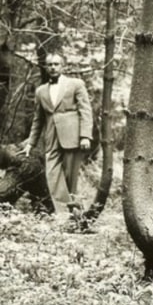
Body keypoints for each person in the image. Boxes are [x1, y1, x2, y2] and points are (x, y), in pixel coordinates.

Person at [23, 61, 93, 221]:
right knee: (52, 175)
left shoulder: (75, 84)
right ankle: (65, 215)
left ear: (62, 66)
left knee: (71, 179)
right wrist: (30, 143)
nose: (52, 67)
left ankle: (75, 217)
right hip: (51, 137)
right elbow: (38, 119)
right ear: (46, 68)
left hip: (72, 136)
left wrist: (85, 136)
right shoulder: (41, 91)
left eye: (56, 64)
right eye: (49, 65)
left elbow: (85, 110)